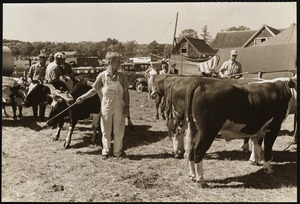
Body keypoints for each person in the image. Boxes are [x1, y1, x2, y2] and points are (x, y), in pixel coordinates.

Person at [75, 52, 130, 160]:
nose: (120, 63)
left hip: (119, 106)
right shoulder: (102, 76)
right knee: (105, 130)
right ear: (110, 62)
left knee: (118, 130)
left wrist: (127, 107)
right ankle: (105, 151)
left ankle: (117, 152)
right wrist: (83, 97)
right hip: (106, 105)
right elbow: (94, 89)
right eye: (117, 61)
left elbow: (126, 92)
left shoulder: (122, 76)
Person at [27, 53, 47, 119]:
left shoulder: (46, 67)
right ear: (39, 59)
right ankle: (35, 115)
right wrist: (30, 81)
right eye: (43, 59)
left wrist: (44, 80)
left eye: (45, 59)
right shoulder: (34, 66)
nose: (44, 61)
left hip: (42, 85)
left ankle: (42, 116)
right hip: (34, 84)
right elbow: (29, 75)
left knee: (42, 101)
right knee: (34, 101)